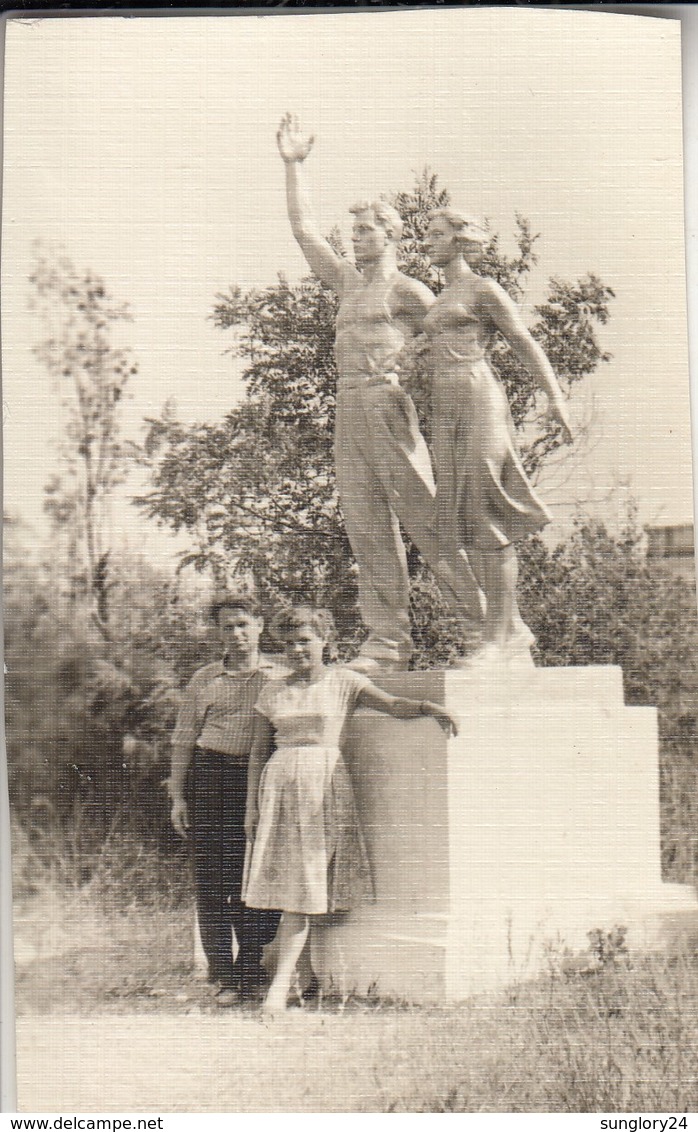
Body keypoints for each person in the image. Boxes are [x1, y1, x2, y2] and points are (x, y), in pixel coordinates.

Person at [276, 113, 482, 673]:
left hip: (388, 407)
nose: (356, 237)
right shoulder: (346, 282)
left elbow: (459, 334)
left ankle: (481, 627)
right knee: (366, 527)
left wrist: (424, 371)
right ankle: (387, 640)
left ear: (391, 235)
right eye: (356, 231)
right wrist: (293, 166)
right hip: (348, 410)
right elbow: (304, 230)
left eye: (367, 230)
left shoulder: (408, 290)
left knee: (424, 521)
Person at [242, 604, 458, 1016]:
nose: (297, 650)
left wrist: (429, 708)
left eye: (305, 641)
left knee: (304, 883)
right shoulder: (272, 690)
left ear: (325, 642)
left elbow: (393, 705)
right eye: (288, 644)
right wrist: (252, 806)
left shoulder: (344, 682)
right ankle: (300, 982)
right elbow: (257, 753)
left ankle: (279, 988)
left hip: (322, 787)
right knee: (293, 884)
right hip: (279, 787)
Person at [422, 208, 573, 666]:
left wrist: (554, 396)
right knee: (465, 519)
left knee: (489, 515)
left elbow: (524, 341)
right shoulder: (440, 296)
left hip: (477, 399)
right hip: (444, 408)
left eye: (436, 235)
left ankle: (498, 639)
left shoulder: (483, 289)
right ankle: (512, 627)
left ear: (460, 241)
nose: (426, 241)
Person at [167, 595, 281, 1005]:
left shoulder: (279, 676)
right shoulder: (205, 679)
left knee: (257, 877)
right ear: (219, 633)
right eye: (228, 627)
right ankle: (224, 975)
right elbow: (183, 739)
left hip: (263, 780)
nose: (236, 634)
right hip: (211, 778)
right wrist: (178, 796)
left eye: (243, 624)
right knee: (215, 881)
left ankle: (252, 967)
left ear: (260, 625)